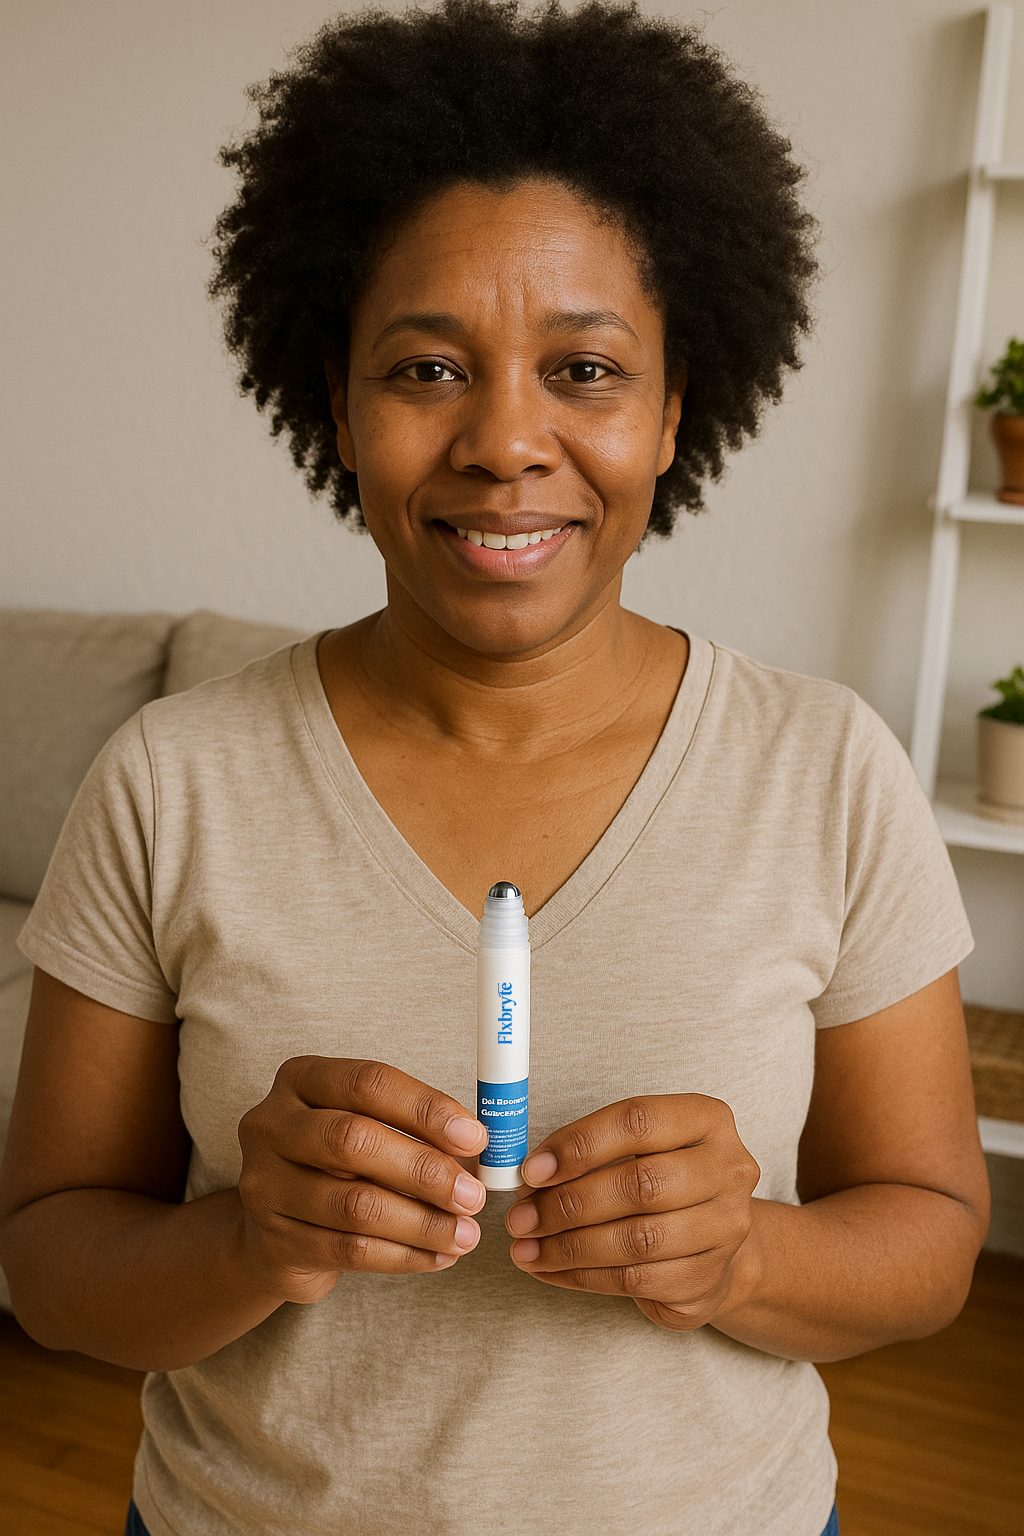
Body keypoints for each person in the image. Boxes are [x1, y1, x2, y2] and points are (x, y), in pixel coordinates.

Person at [0, 4, 988, 1534]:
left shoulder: (826, 768)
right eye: (426, 370)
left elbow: (930, 1238)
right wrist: (249, 1244)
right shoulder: (170, 782)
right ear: (336, 404)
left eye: (585, 368)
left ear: (674, 410)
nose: (505, 441)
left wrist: (745, 1258)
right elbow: (54, 1263)